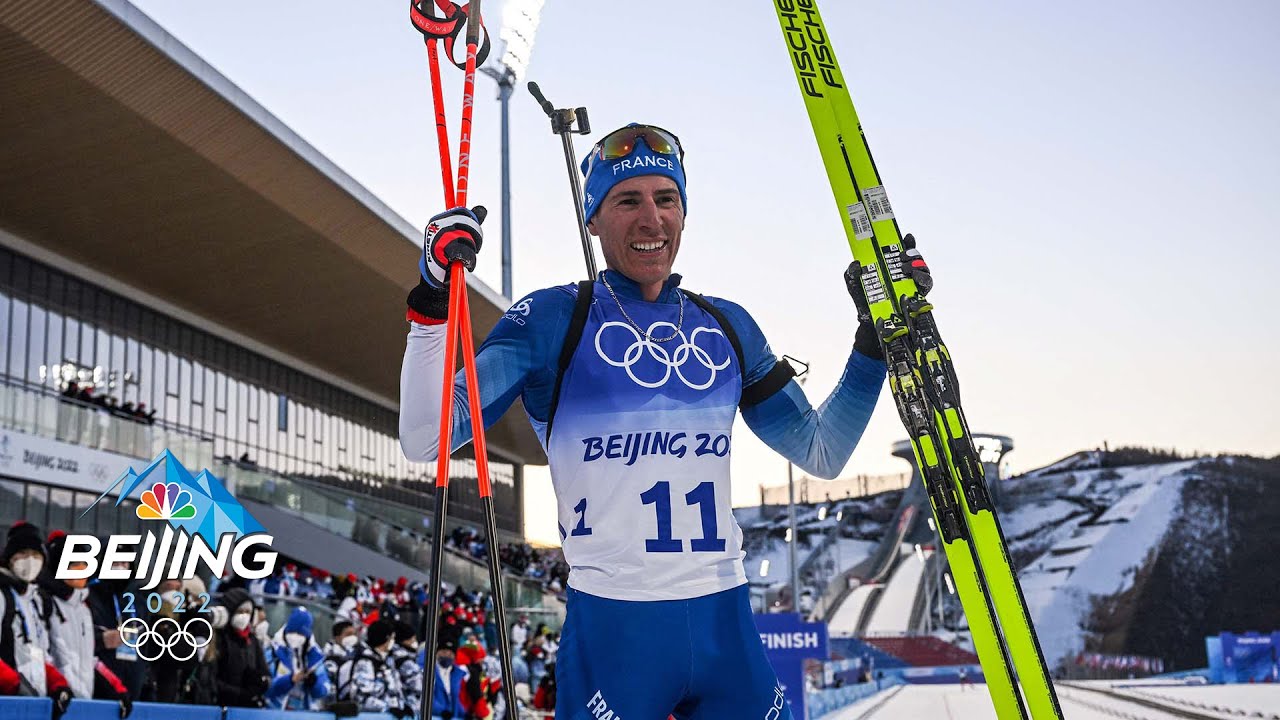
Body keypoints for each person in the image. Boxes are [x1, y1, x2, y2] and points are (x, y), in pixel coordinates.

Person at [400, 123, 934, 718]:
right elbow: (428, 437)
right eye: (628, 200)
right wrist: (430, 300)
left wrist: (873, 342)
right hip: (615, 628)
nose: (652, 219)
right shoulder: (552, 318)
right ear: (593, 219)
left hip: (725, 622)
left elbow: (821, 452)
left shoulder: (727, 325)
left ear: (684, 212)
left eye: (666, 199)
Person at [37, 532, 132, 715]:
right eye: (74, 565)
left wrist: (117, 689)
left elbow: (90, 661)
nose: (80, 570)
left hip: (80, 703)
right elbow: (39, 656)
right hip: (52, 701)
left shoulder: (83, 609)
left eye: (84, 565)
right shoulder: (44, 602)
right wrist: (58, 687)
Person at [0, 522, 72, 715]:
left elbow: (35, 654)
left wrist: (57, 684)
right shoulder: (2, 596)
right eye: (22, 554)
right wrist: (14, 685)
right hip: (7, 703)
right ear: (9, 559)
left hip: (31, 704)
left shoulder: (35, 602)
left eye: (35, 555)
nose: (30, 560)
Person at [209, 588, 270, 707]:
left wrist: (260, 683)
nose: (244, 616)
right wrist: (239, 694)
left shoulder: (252, 640)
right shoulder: (217, 639)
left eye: (248, 612)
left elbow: (264, 671)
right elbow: (211, 678)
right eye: (240, 611)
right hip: (221, 705)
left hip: (247, 706)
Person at [338, 619, 409, 717]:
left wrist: (402, 706)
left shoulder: (386, 660)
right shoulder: (365, 662)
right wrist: (388, 708)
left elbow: (394, 690)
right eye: (392, 638)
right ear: (385, 639)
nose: (393, 642)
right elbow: (361, 698)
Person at [265, 606, 330, 710]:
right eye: (292, 632)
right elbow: (265, 688)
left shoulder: (315, 658)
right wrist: (290, 680)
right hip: (275, 714)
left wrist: (314, 682)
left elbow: (325, 690)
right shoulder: (273, 653)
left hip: (305, 714)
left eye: (300, 634)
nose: (296, 637)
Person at [389, 620, 422, 717]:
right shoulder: (404, 660)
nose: (414, 642)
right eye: (412, 639)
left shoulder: (397, 656)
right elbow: (419, 685)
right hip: (407, 708)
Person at [323, 619, 359, 695]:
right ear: (337, 638)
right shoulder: (329, 657)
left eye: (354, 634)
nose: (353, 637)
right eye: (348, 634)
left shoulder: (355, 653)